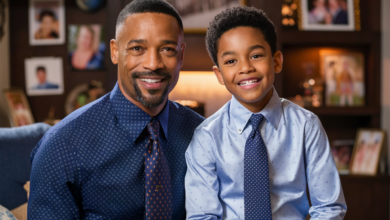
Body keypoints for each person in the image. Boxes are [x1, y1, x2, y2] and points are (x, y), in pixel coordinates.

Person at [28, 0, 204, 219]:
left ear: (181, 55)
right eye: (137, 48)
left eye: (167, 49)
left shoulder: (203, 134)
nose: (153, 63)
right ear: (115, 51)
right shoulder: (62, 145)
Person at [185, 6, 347, 219]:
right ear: (219, 75)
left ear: (276, 61)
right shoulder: (207, 136)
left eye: (256, 55)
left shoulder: (306, 126)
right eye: (231, 61)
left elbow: (329, 207)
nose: (245, 68)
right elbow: (202, 215)